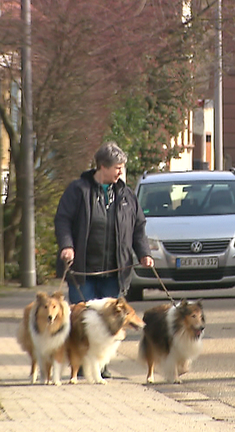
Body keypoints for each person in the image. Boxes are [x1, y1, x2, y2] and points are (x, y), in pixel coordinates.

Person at [55, 143, 154, 375]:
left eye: (122, 167)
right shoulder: (78, 190)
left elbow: (138, 226)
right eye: (117, 167)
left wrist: (144, 252)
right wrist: (67, 246)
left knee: (110, 321)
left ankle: (101, 366)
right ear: (102, 167)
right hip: (83, 271)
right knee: (83, 320)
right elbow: (63, 220)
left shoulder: (126, 195)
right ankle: (79, 366)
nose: (121, 172)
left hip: (115, 271)